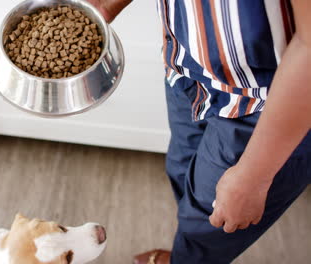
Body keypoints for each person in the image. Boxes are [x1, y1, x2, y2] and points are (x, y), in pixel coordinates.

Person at [86, 0, 311, 263]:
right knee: (182, 170)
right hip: (187, 67)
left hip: (265, 104)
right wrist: (108, 5)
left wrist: (255, 177)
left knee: (211, 224)